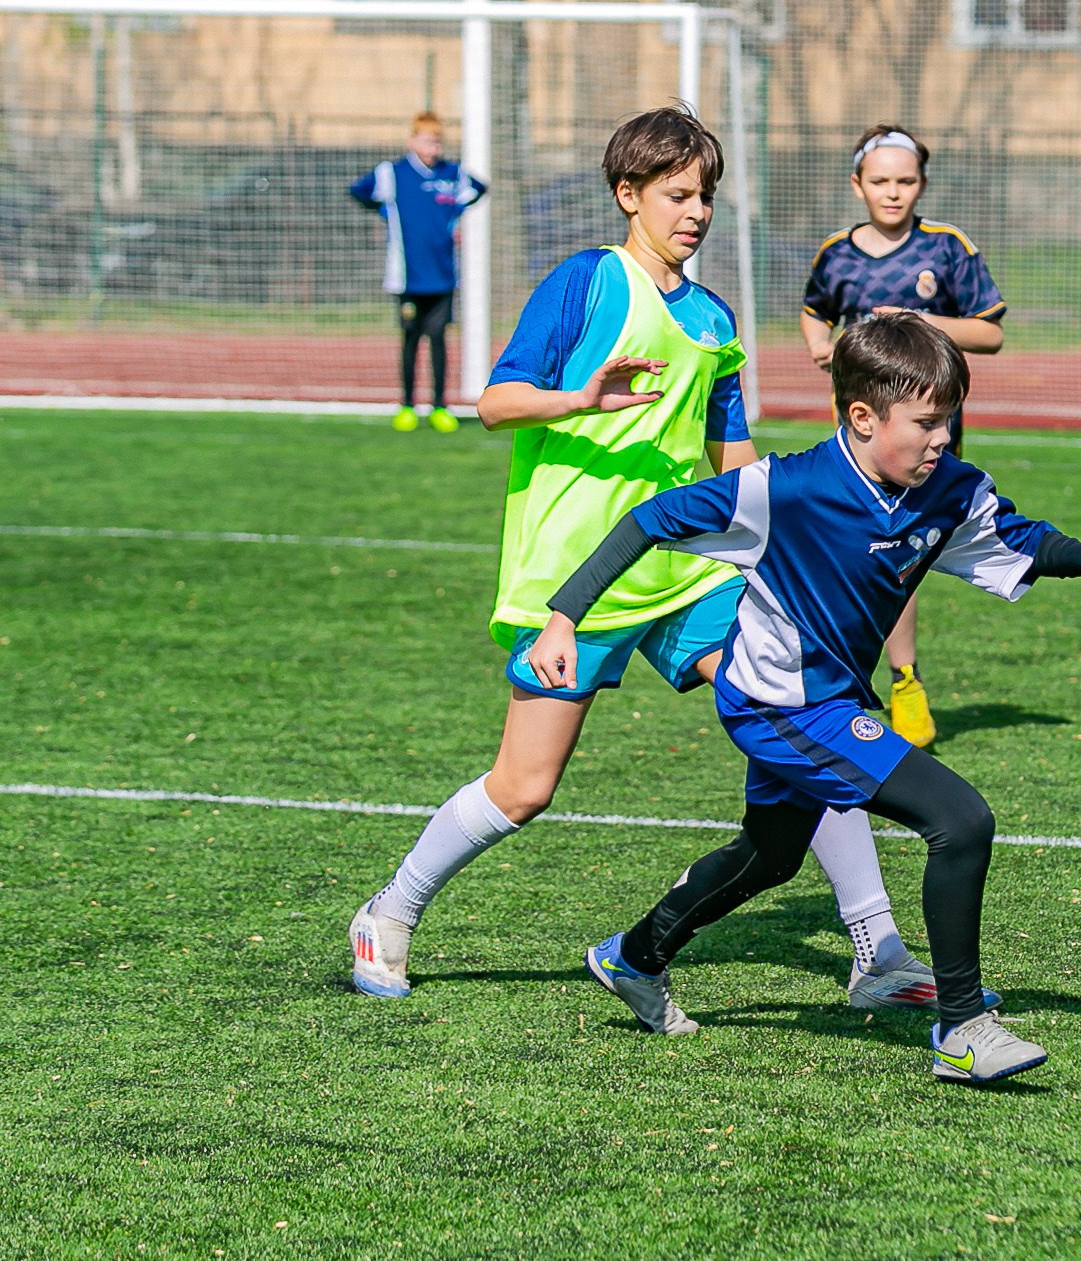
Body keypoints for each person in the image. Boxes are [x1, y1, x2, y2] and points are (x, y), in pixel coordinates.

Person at [350, 106, 945, 1015]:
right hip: (573, 577)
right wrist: (577, 396)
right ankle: (389, 912)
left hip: (687, 572)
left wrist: (793, 539)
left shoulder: (712, 318)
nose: (694, 212)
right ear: (627, 196)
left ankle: (877, 950)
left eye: (704, 195)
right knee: (524, 787)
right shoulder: (587, 283)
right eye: (676, 195)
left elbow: (733, 459)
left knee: (805, 716)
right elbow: (495, 404)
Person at [540, 311, 1081, 1081]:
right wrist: (564, 617)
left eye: (949, 421)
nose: (941, 438)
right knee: (959, 820)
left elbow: (1016, 538)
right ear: (861, 417)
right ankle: (962, 1028)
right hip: (778, 706)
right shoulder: (783, 491)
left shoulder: (948, 490)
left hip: (826, 700)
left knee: (770, 856)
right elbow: (648, 521)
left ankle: (634, 955)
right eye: (925, 422)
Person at [800, 125, 1007, 749]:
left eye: (906, 181)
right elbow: (816, 308)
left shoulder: (946, 249)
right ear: (857, 184)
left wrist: (919, 320)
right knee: (854, 554)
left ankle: (904, 680)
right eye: (881, 181)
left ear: (922, 184)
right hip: (857, 441)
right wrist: (817, 344)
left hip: (924, 443)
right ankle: (854, 687)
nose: (894, 193)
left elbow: (990, 333)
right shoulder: (836, 252)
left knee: (900, 559)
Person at [350, 112, 486, 433]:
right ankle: (407, 405)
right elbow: (358, 190)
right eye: (427, 140)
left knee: (438, 339)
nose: (433, 146)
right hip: (407, 277)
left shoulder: (453, 174)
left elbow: (479, 188)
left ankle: (440, 406)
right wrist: (384, 210)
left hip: (442, 275)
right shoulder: (392, 173)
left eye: (438, 140)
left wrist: (455, 213)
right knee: (411, 339)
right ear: (412, 141)